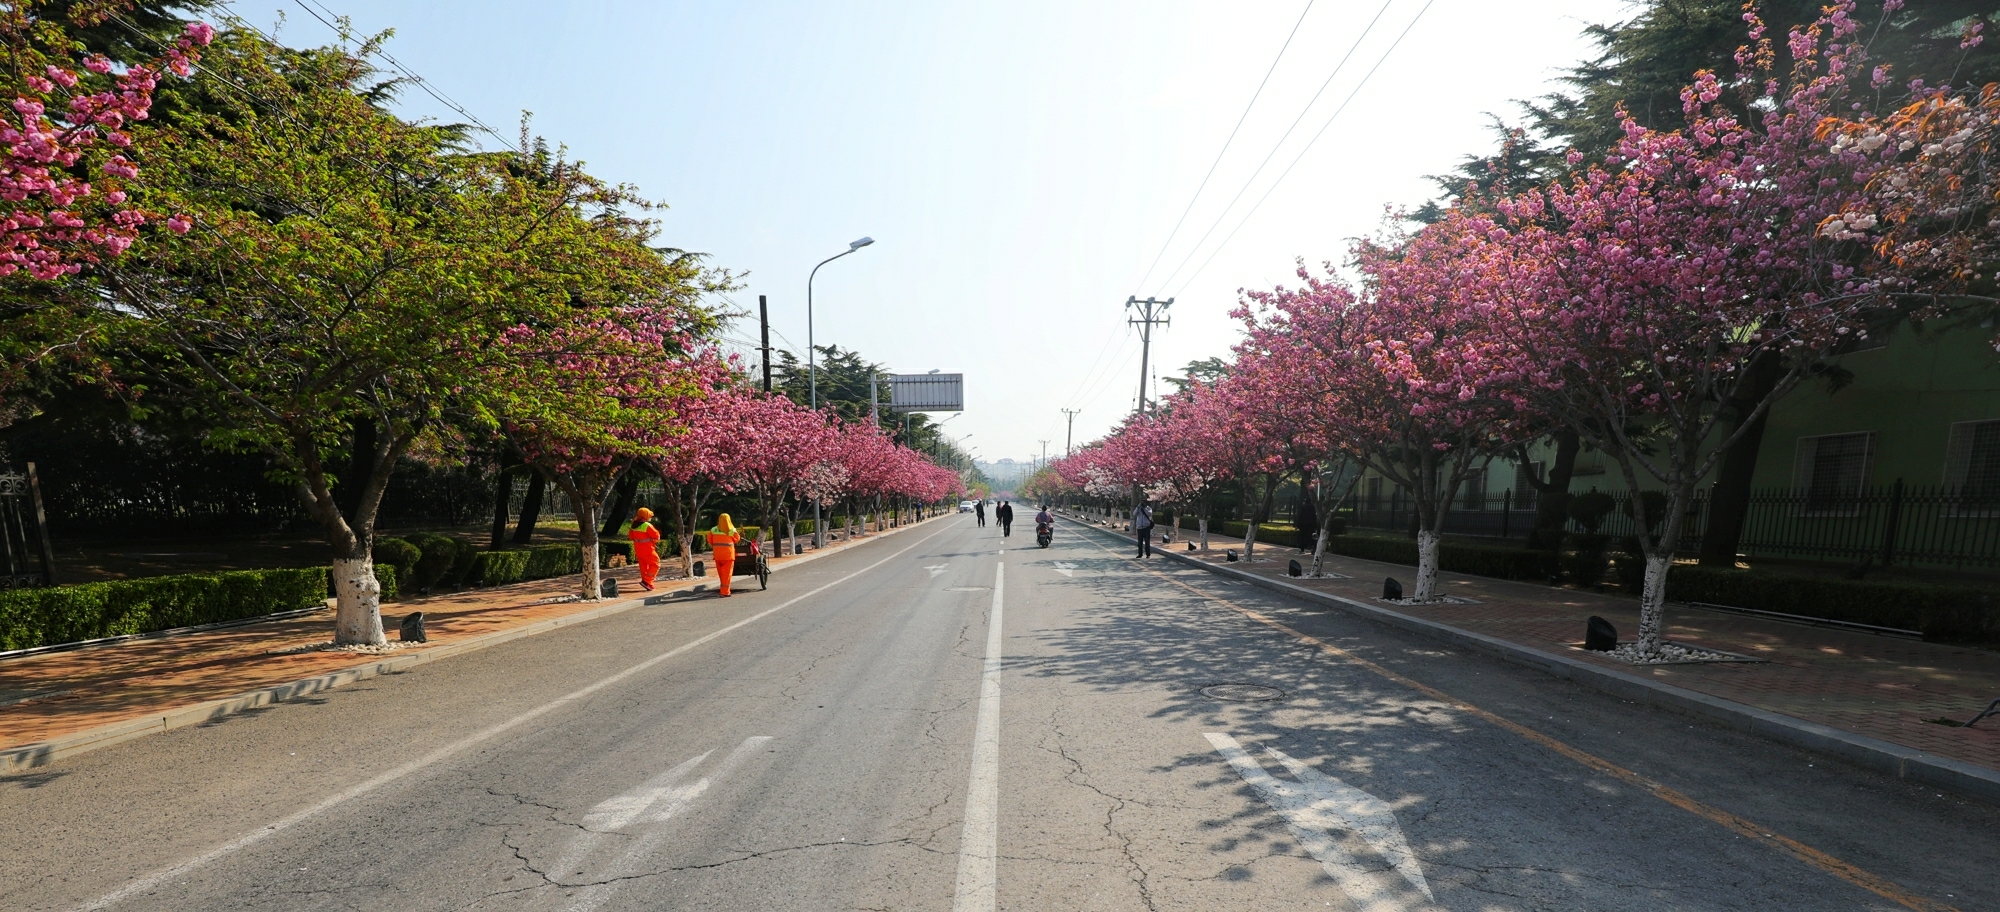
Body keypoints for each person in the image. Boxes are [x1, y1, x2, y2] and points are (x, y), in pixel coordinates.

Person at [707, 513, 742, 597]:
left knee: (721, 573)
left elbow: (709, 540)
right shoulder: (731, 530)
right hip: (728, 556)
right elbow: (737, 539)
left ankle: (723, 589)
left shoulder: (713, 530)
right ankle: (725, 592)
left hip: (717, 555)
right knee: (727, 574)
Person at [626, 507, 662, 591]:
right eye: (649, 515)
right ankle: (647, 581)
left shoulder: (633, 525)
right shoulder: (647, 525)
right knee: (655, 564)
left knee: (644, 567)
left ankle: (646, 583)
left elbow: (631, 536)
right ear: (645, 515)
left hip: (638, 550)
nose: (650, 517)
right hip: (648, 550)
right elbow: (656, 535)